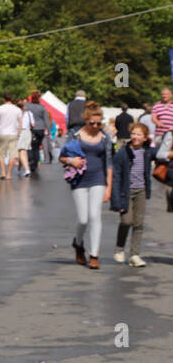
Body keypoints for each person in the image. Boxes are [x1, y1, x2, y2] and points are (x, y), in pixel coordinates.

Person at [60, 101, 112, 270]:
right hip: (79, 179)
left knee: (95, 215)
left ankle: (94, 254)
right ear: (86, 120)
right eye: (92, 123)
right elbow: (62, 156)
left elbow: (109, 164)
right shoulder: (74, 135)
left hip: (98, 179)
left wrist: (109, 187)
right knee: (83, 218)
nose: (96, 126)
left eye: (99, 123)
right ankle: (78, 243)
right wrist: (70, 160)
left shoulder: (105, 137)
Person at [111, 122, 152, 268]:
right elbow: (116, 176)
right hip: (125, 192)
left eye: (139, 134)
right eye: (133, 133)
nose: (135, 137)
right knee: (126, 221)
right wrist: (115, 197)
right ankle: (119, 248)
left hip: (141, 190)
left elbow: (161, 154)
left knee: (139, 223)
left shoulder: (146, 152)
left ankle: (134, 255)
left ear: (145, 138)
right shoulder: (123, 153)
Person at [0, 95, 22, 180]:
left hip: (2, 133)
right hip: (13, 133)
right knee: (12, 155)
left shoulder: (0, 108)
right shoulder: (17, 109)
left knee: (1, 154)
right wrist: (18, 133)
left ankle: (3, 172)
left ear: (4, 99)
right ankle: (9, 174)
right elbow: (20, 123)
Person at [24, 91, 48, 174]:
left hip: (31, 128)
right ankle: (35, 164)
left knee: (30, 146)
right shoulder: (42, 107)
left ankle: (31, 162)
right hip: (40, 129)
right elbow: (46, 119)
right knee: (37, 148)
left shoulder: (27, 106)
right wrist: (48, 129)